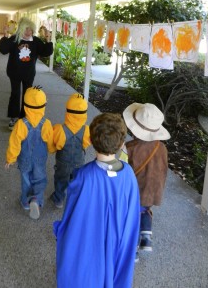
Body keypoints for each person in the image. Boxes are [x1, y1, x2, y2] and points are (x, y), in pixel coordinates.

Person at [53, 113, 140, 288]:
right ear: (122, 144)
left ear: (91, 142)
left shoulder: (83, 176)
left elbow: (73, 216)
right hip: (118, 240)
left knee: (87, 271)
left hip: (90, 241)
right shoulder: (129, 175)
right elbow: (132, 216)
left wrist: (62, 230)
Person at [122, 103, 170, 253]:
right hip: (154, 190)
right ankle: (146, 236)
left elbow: (122, 172)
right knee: (145, 210)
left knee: (132, 217)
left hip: (136, 192)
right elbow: (163, 169)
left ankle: (133, 249)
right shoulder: (161, 147)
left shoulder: (129, 148)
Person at [5, 86, 55, 220]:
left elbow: (14, 143)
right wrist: (51, 149)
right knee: (39, 179)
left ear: (25, 106)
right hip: (40, 159)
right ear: (43, 106)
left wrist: (10, 158)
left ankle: (25, 202)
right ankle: (36, 200)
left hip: (24, 159)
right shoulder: (46, 123)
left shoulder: (21, 124)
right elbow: (50, 141)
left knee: (26, 180)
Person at [0, 17, 53, 130]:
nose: (28, 32)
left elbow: (46, 52)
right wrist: (5, 34)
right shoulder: (15, 39)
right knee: (15, 93)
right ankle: (14, 117)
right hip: (14, 72)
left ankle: (24, 116)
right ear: (21, 29)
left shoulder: (36, 41)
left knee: (27, 95)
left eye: (31, 30)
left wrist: (48, 39)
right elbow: (3, 50)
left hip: (28, 73)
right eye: (26, 29)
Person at [50, 93, 91, 209]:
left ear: (67, 111)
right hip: (79, 162)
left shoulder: (59, 129)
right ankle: (75, 201)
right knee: (77, 181)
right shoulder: (87, 130)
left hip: (63, 162)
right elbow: (86, 144)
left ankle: (58, 200)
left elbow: (56, 145)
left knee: (60, 180)